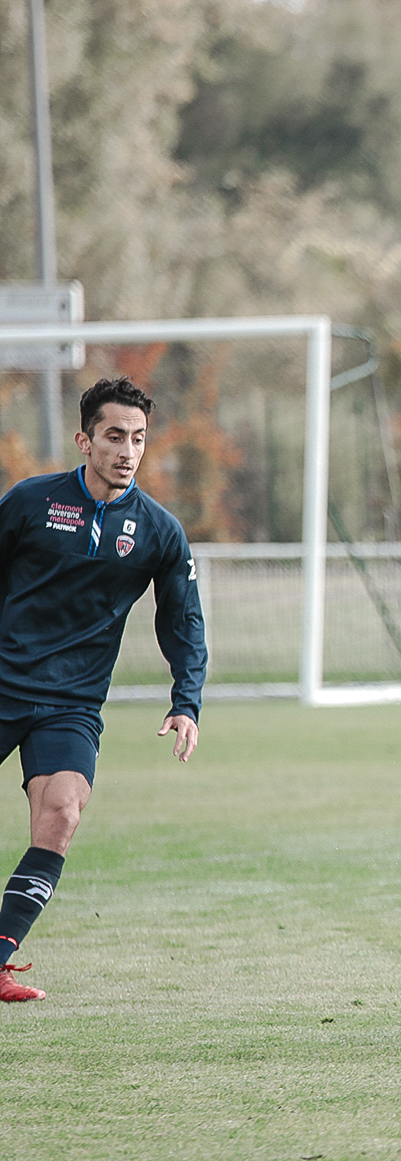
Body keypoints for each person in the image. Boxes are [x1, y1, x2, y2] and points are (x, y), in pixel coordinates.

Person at [0, 377, 206, 1002]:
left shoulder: (158, 531)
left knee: (61, 813)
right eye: (115, 436)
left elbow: (182, 617)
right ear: (85, 439)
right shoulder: (32, 502)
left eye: (138, 439)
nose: (128, 451)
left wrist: (186, 699)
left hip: (70, 704)